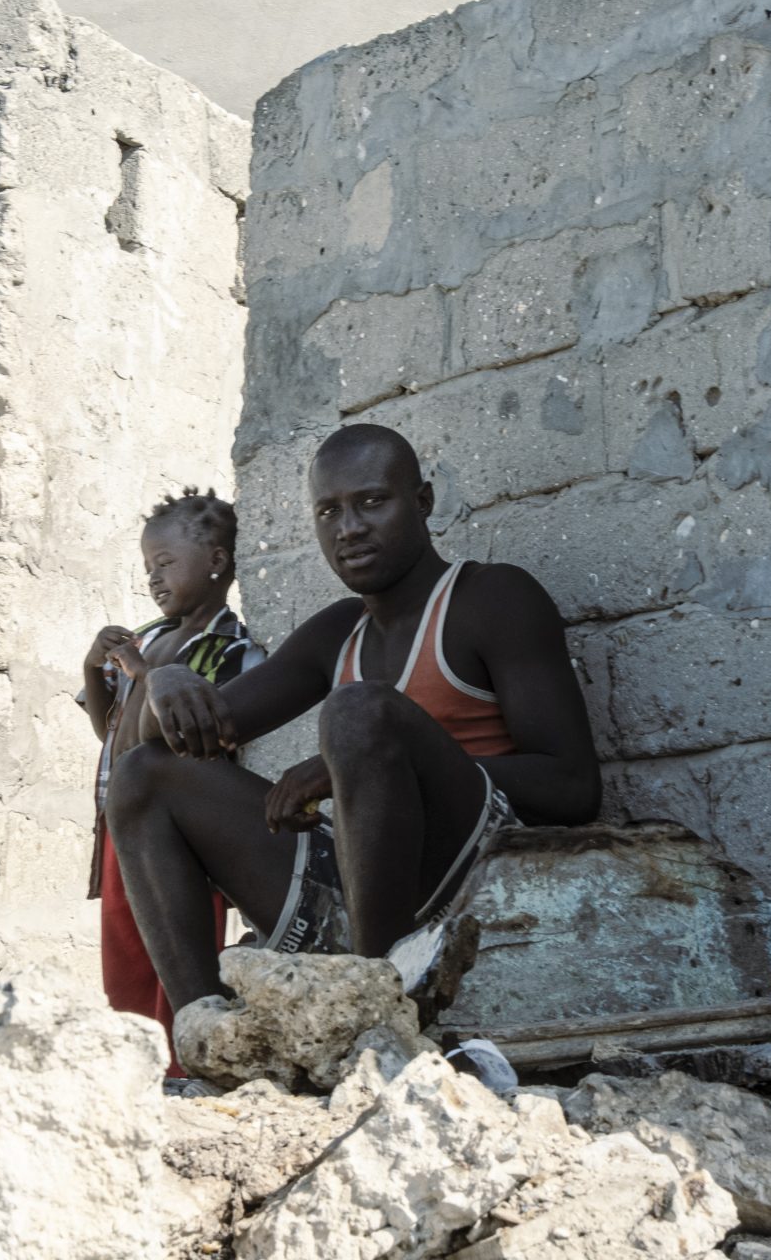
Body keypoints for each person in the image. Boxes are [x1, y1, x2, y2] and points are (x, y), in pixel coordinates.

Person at [105, 423, 601, 1031]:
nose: (350, 528)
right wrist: (163, 680)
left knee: (359, 710)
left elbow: (574, 788)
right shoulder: (339, 631)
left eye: (372, 502)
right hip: (369, 891)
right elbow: (188, 734)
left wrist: (357, 763)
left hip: (473, 877)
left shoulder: (490, 598)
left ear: (422, 502)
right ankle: (203, 1035)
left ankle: (379, 1018)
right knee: (142, 776)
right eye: (329, 512)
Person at [79, 488, 263, 1054]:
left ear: (216, 562)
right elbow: (108, 728)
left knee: (179, 951)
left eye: (165, 563)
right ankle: (141, 1063)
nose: (153, 579)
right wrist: (93, 666)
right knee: (126, 960)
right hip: (120, 827)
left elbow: (189, 736)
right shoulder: (150, 636)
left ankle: (187, 1063)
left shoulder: (229, 650)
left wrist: (140, 672)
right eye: (147, 567)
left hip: (182, 837)